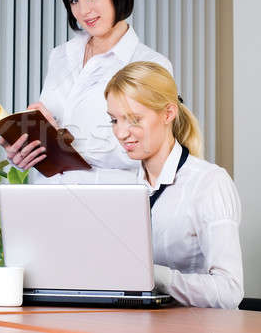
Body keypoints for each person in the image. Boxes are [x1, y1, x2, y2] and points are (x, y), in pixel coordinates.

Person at [0, 0, 172, 184]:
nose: (83, 11)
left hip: (108, 201)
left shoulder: (150, 64)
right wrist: (23, 149)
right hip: (47, 195)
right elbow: (51, 130)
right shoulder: (60, 56)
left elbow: (149, 147)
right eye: (74, 0)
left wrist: (64, 142)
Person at [104, 62, 243, 309]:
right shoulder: (121, 186)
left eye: (134, 119)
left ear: (168, 114)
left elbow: (230, 291)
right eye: (114, 120)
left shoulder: (209, 184)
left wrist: (155, 275)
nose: (121, 133)